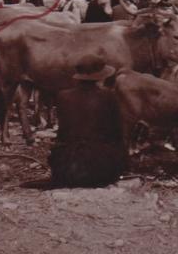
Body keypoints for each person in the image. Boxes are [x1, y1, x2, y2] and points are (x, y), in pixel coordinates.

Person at [48, 55, 127, 187]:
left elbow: (63, 133)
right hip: (100, 169)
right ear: (101, 77)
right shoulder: (108, 96)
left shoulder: (63, 96)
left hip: (67, 168)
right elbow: (117, 132)